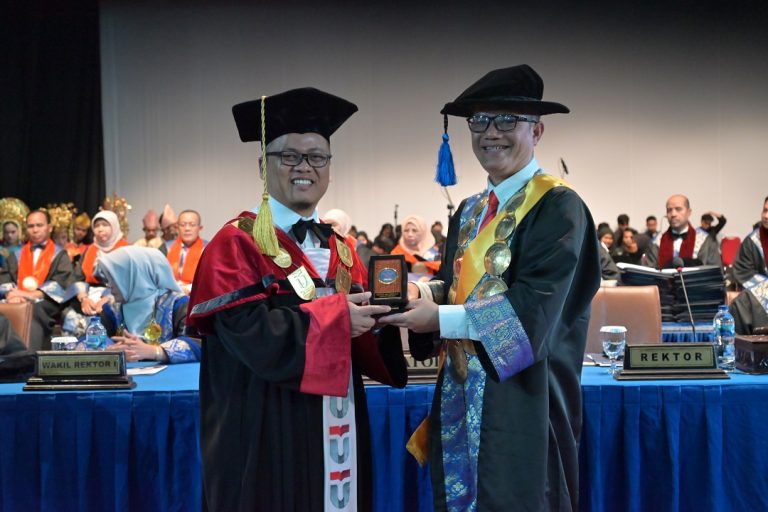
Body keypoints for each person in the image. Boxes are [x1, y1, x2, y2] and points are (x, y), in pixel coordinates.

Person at [380, 64, 601, 511]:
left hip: (526, 398)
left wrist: (439, 318)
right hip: (463, 390)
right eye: (479, 120)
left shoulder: (559, 208)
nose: (490, 133)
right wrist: (423, 294)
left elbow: (534, 313)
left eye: (506, 120)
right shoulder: (470, 208)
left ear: (536, 131)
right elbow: (457, 285)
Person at [186, 87, 407, 511]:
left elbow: (361, 339)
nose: (304, 167)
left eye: (317, 157)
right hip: (264, 424)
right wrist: (338, 319)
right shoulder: (235, 243)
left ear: (329, 168)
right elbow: (250, 335)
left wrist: (390, 320)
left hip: (337, 423)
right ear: (263, 167)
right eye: (289, 156)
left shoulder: (343, 249)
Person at [98, 246, 200, 363]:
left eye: (114, 278)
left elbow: (200, 344)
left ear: (134, 276)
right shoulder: (112, 309)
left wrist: (155, 352)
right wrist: (110, 349)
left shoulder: (177, 305)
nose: (109, 285)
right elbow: (89, 339)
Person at [0, 210, 75, 350]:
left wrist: (31, 295)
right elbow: (4, 277)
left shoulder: (60, 254)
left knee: (33, 309)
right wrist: (11, 295)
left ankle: (28, 356)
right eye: (31, 226)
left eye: (39, 225)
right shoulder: (16, 254)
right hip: (17, 298)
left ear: (49, 227)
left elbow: (61, 281)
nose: (35, 230)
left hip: (46, 301)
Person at [62, 210, 129, 335]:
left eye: (105, 225)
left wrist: (108, 298)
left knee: (106, 311)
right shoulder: (90, 250)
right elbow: (77, 277)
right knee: (68, 312)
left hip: (116, 295)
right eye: (97, 226)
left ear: (114, 226)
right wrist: (84, 299)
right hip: (89, 293)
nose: (100, 229)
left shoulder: (126, 250)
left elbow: (129, 281)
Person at [645, 194, 722, 269]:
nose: (673, 214)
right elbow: (649, 272)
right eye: (669, 210)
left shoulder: (704, 240)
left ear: (689, 212)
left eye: (678, 209)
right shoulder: (656, 242)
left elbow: (716, 272)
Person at [729, 196, 768, 334]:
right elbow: (743, 270)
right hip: (761, 295)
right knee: (741, 304)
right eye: (765, 210)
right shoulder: (752, 241)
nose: (766, 216)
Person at [160, 209, 207, 294]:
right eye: (183, 225)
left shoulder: (207, 249)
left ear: (200, 228)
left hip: (197, 294)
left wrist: (189, 288)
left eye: (192, 225)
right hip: (170, 293)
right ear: (177, 228)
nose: (187, 228)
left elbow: (210, 278)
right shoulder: (166, 248)